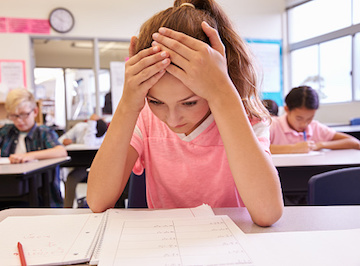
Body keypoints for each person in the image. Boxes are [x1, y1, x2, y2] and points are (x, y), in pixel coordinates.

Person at [86, 0, 283, 227]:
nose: (172, 119)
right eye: (156, 101)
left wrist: (223, 91)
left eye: (189, 103)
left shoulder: (246, 117)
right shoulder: (145, 119)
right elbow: (97, 200)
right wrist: (128, 104)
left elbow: (267, 213)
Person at [0, 88, 67, 227]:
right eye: (13, 116)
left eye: (23, 115)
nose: (19, 121)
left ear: (35, 112)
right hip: (2, 192)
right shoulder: (6, 131)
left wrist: (28, 156)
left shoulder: (44, 132)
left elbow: (61, 151)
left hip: (35, 195)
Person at [270, 86, 360, 154]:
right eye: (299, 118)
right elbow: (260, 149)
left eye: (309, 118)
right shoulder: (272, 125)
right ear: (287, 109)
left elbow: (355, 143)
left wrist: (320, 145)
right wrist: (293, 148)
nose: (304, 124)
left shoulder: (315, 127)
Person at [59, 113, 107, 207]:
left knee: (73, 178)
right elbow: (59, 141)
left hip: (97, 167)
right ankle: (67, 208)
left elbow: (90, 142)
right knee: (70, 178)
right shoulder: (80, 127)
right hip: (81, 165)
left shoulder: (103, 133)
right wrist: (64, 141)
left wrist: (92, 125)